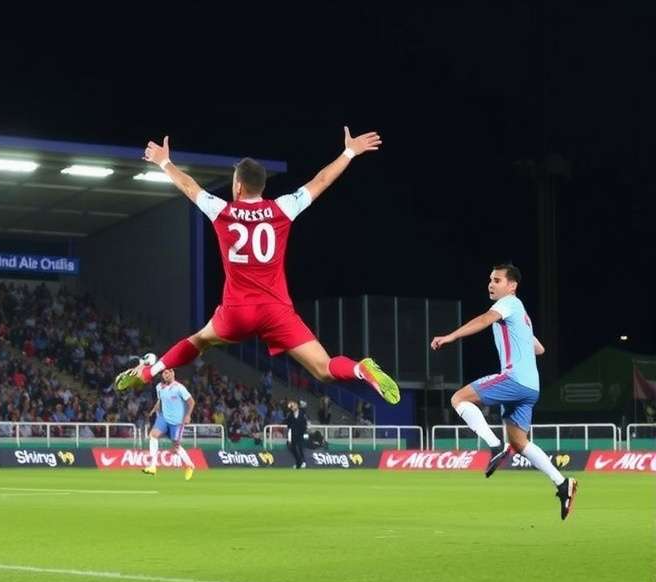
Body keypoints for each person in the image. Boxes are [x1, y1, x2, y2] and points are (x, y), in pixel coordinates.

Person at [114, 128, 400, 408]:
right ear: (262, 186)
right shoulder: (283, 208)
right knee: (324, 368)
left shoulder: (221, 210)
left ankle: (149, 372)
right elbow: (322, 180)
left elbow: (190, 186)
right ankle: (360, 370)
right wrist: (350, 151)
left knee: (199, 340)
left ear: (237, 186)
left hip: (238, 311)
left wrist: (164, 161)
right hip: (276, 311)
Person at [430, 264, 577, 520]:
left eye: (497, 280)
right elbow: (540, 349)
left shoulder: (508, 303)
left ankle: (494, 444)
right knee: (520, 443)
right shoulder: (521, 315)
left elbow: (485, 320)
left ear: (512, 286)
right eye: (490, 279)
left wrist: (450, 337)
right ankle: (563, 483)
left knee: (458, 398)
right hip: (531, 388)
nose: (491, 284)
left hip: (514, 379)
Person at [142, 368, 196, 480]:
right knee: (153, 435)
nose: (165, 375)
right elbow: (160, 400)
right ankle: (152, 466)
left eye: (168, 372)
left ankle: (190, 466)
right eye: (164, 373)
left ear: (173, 373)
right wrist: (153, 410)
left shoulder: (179, 388)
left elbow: (191, 402)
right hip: (164, 418)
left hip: (177, 422)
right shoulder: (159, 387)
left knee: (175, 446)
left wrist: (188, 415)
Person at [284, 400, 308, 468]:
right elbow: (287, 422)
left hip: (300, 434)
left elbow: (304, 424)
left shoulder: (302, 413)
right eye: (292, 406)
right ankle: (298, 463)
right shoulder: (290, 414)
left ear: (297, 406)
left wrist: (303, 431)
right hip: (293, 434)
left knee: (300, 448)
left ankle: (303, 462)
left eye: (294, 405)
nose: (293, 407)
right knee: (293, 449)